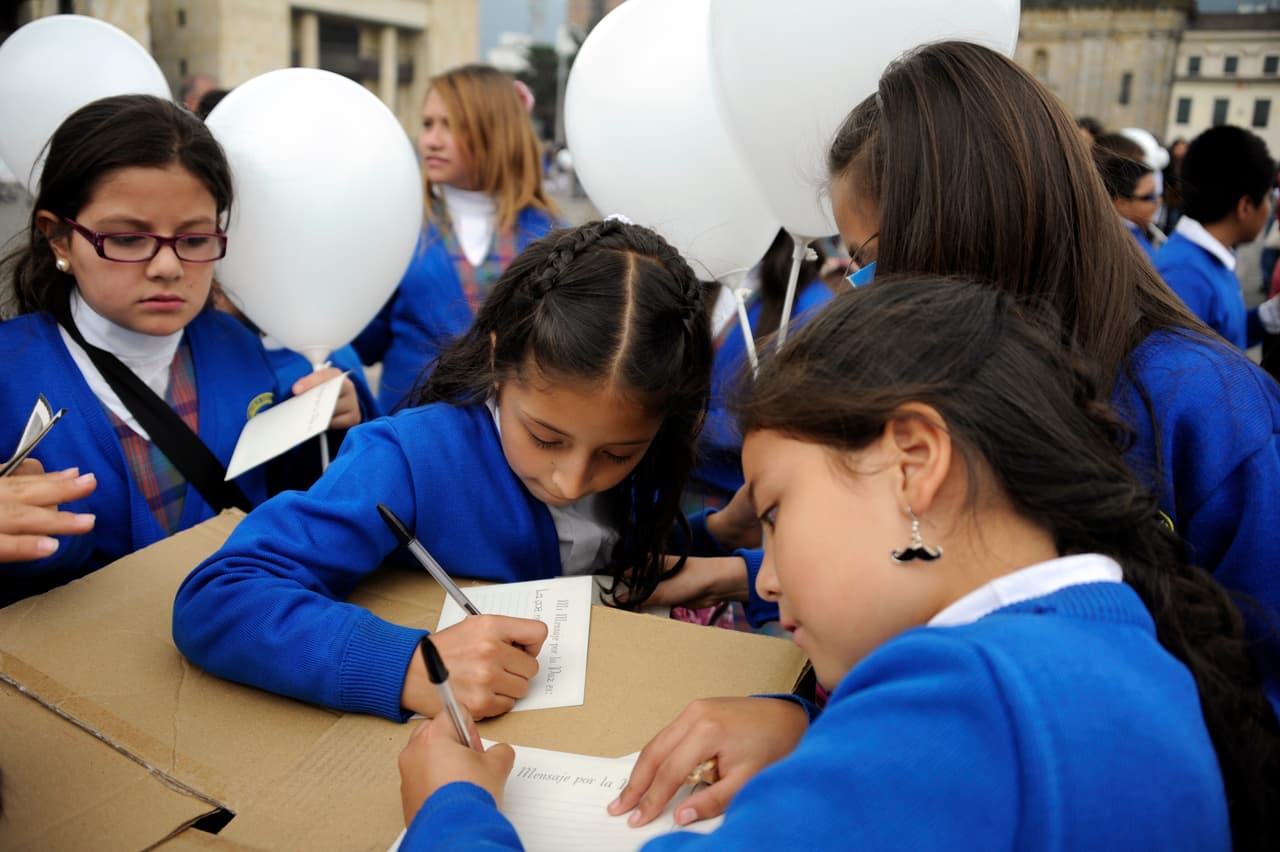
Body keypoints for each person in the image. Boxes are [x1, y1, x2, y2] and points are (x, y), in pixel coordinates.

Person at [397, 279, 1280, 850]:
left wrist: (452, 813)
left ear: (914, 463)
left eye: (776, 514)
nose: (765, 577)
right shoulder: (1113, 644)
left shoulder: (973, 706)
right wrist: (818, 734)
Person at [650, 41, 1280, 711]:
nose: (863, 294)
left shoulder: (1208, 406)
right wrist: (752, 587)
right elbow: (929, 566)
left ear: (966, 227)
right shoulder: (947, 383)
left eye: (871, 261)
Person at [172, 218, 712, 722]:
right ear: (500, 360)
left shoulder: (652, 456)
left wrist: (719, 542)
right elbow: (221, 596)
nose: (569, 482)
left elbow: (597, 545)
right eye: (545, 438)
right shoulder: (407, 457)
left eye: (617, 455)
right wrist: (409, 666)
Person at [0, 95, 358, 605]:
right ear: (59, 238)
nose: (168, 267)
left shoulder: (240, 348)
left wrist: (335, 434)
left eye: (193, 240)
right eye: (126, 238)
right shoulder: (8, 373)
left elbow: (279, 500)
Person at [354, 64, 562, 413]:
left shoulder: (552, 235)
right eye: (427, 124)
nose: (431, 140)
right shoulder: (399, 223)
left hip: (507, 445)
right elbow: (361, 342)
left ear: (498, 131)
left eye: (452, 125)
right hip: (408, 437)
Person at [1155, 125, 1280, 350]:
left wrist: (1269, 315)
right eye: (1268, 198)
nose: (1269, 207)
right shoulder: (1184, 276)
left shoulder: (1207, 259)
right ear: (1245, 206)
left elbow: (1224, 339)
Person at [1094, 150, 1160, 259]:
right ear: (1120, 203)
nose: (1157, 201)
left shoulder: (1135, 233)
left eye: (1157, 194)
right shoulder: (1118, 247)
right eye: (1149, 197)